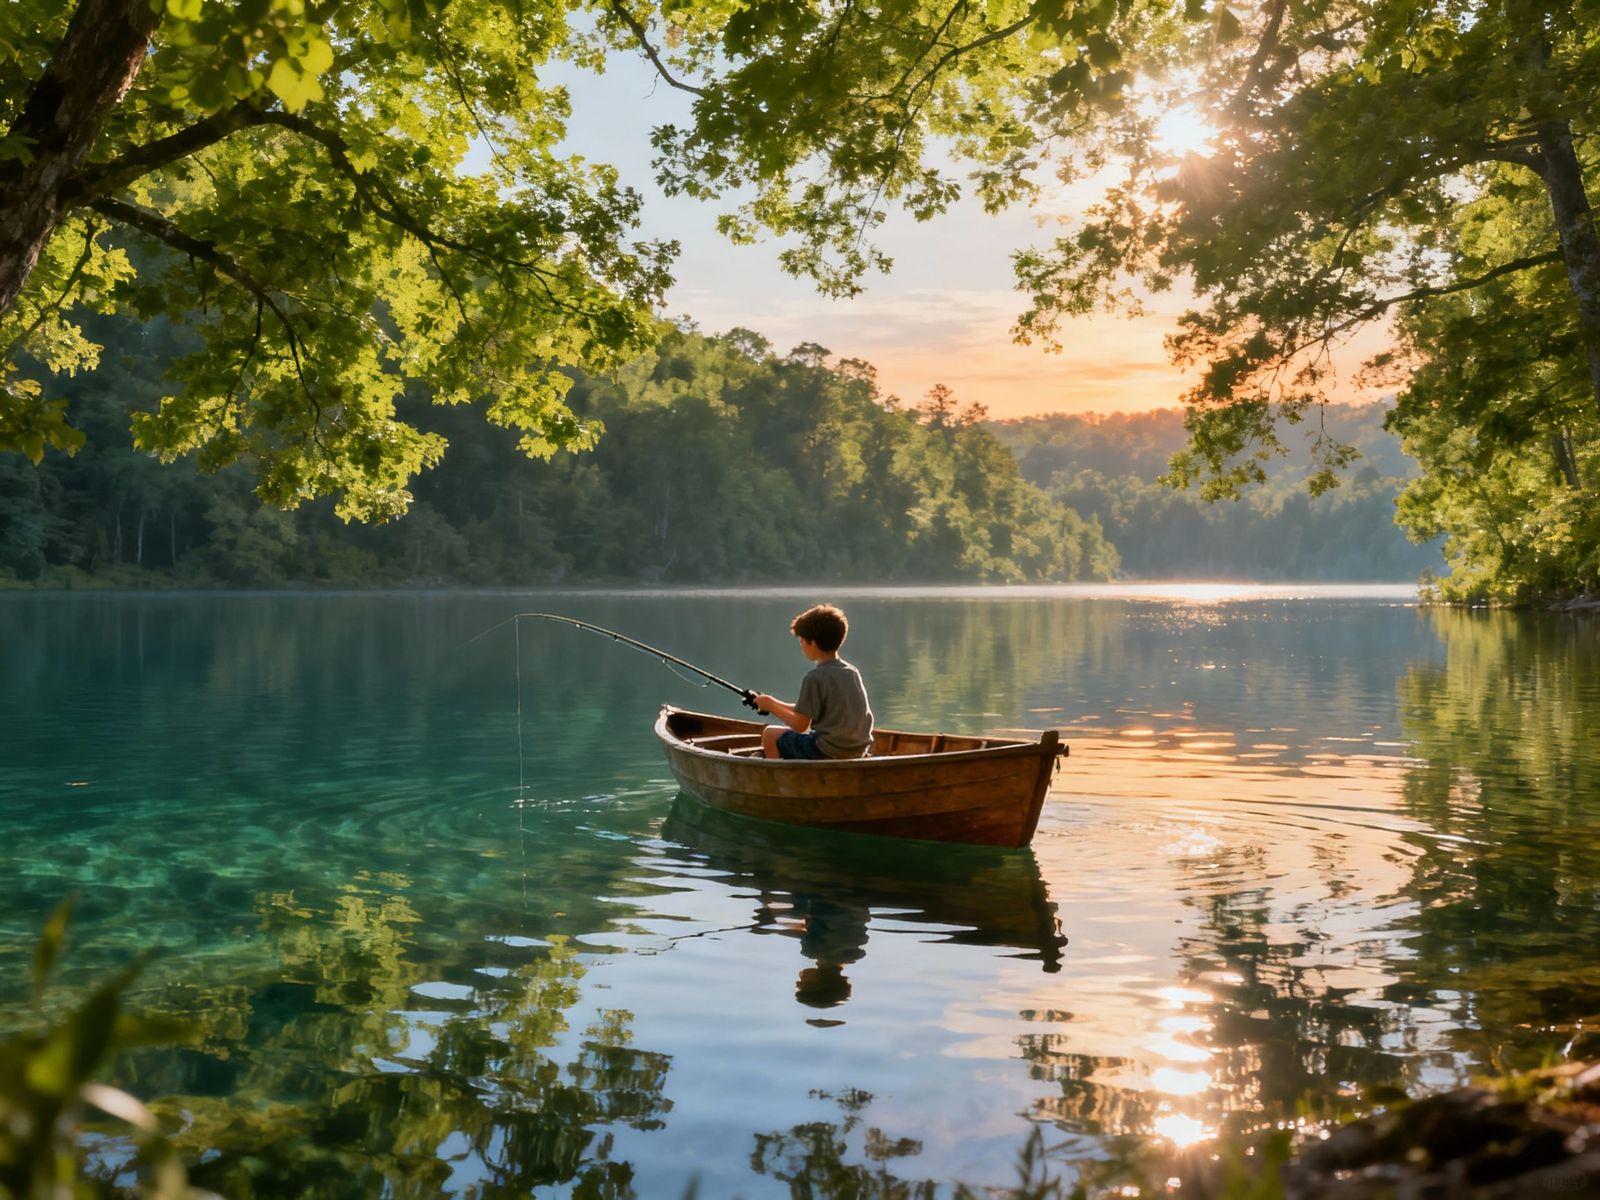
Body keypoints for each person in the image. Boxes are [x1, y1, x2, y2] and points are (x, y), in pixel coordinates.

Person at [753, 604, 874, 760]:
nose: (801, 643)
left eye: (802, 639)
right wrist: (772, 702)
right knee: (798, 735)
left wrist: (772, 707)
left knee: (770, 734)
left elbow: (800, 725)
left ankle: (779, 779)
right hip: (857, 750)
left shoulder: (815, 677)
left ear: (813, 643)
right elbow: (810, 710)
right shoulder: (851, 672)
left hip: (827, 751)